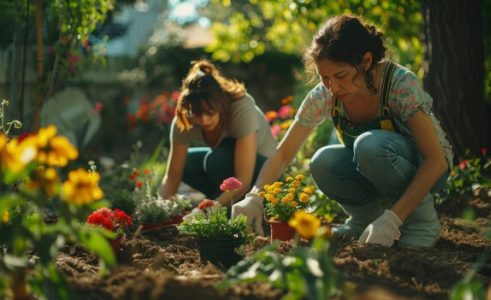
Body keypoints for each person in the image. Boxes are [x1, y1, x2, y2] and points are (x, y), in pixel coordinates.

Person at [232, 15, 453, 248]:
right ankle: (363, 220)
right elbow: (283, 154)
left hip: (427, 169)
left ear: (366, 61)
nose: (333, 87)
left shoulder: (399, 84)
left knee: (369, 145)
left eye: (340, 76)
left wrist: (392, 219)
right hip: (378, 167)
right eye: (324, 78)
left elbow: (435, 161)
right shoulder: (324, 96)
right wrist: (254, 197)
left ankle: (421, 223)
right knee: (322, 161)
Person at [159, 60, 277, 206]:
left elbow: (243, 180)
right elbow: (172, 177)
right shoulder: (185, 119)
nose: (203, 120)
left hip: (267, 176)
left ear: (220, 104)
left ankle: (224, 205)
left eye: (210, 112)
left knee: (215, 160)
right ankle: (223, 202)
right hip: (230, 173)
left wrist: (209, 209)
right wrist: (160, 208)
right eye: (196, 113)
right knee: (186, 162)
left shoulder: (241, 107)